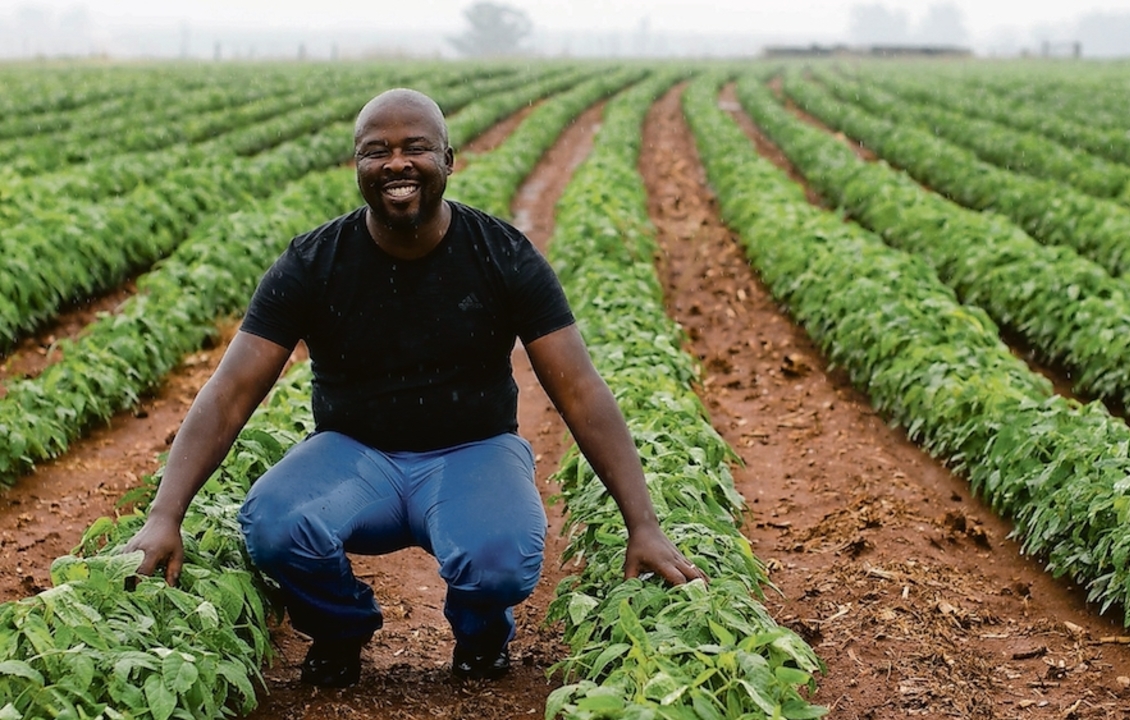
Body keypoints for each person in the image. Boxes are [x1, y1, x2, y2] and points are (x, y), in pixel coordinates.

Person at [123, 88, 707, 688]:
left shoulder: (502, 255)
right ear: (357, 168)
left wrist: (644, 524)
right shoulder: (314, 262)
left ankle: (481, 635)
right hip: (354, 456)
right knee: (274, 524)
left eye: (416, 148)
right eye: (376, 151)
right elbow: (230, 392)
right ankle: (341, 627)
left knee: (500, 559)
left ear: (449, 160)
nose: (396, 164)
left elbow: (580, 391)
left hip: (472, 451)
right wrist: (165, 514)